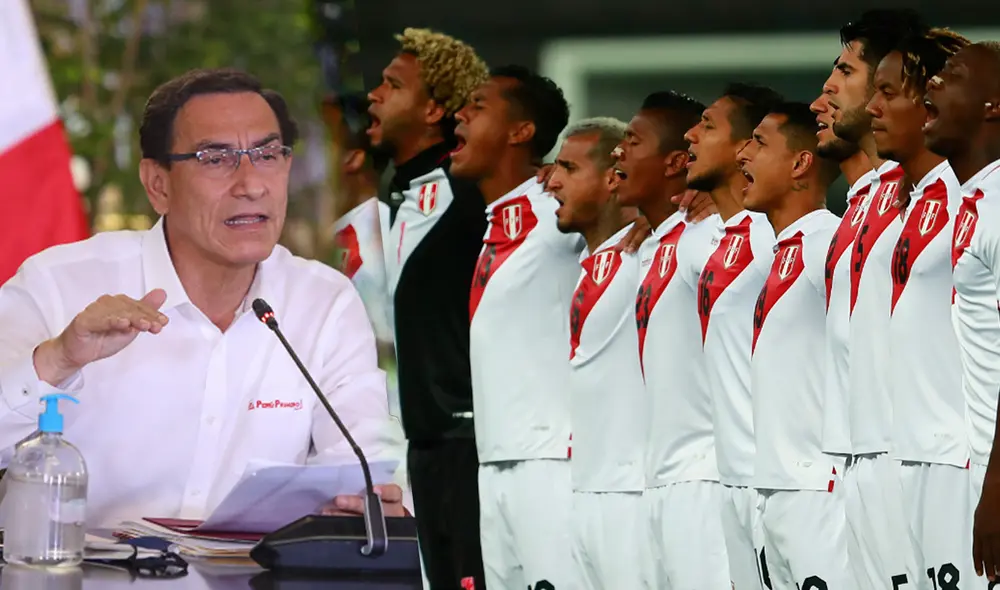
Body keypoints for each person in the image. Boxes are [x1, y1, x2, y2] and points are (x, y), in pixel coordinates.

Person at [0, 68, 405, 528]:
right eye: (216, 159)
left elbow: (364, 459)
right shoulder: (59, 284)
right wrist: (57, 360)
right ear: (159, 184)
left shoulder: (323, 302)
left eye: (268, 154)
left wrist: (373, 501)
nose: (251, 184)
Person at [366, 28, 490, 589]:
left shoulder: (473, 197)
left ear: (436, 109)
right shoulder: (400, 193)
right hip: (424, 446)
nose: (375, 94)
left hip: (475, 450)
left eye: (393, 85)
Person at [451, 64, 579, 589]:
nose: (460, 114)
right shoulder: (495, 225)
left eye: (478, 106)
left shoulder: (561, 213)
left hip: (554, 462)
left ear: (520, 132)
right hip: (495, 460)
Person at [867, 28, 972, 585]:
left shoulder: (971, 196)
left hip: (959, 457)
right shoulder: (911, 201)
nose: (872, 106)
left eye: (889, 92)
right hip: (906, 455)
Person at [828, 10, 928, 587]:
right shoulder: (865, 197)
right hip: (856, 451)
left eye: (846, 70)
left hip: (913, 452)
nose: (830, 89)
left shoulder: (928, 187)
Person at [617, 90, 732, 588]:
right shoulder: (656, 241)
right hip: (660, 479)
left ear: (673, 164)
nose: (619, 151)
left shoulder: (707, 236)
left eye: (632, 140)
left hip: (703, 477)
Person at [738, 101, 850, 588]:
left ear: (801, 163)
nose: (744, 154)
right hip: (773, 488)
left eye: (759, 143)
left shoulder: (831, 241)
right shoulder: (783, 249)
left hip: (819, 490)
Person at [684, 81, 783, 590]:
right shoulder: (719, 238)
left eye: (706, 126)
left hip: (777, 483)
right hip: (732, 479)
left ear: (744, 146)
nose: (690, 135)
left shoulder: (772, 240)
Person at [545, 117, 645, 589]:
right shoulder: (590, 265)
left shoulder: (646, 259)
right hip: (584, 490)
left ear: (612, 178)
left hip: (634, 495)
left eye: (568, 167)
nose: (553, 179)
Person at [924, 41, 1000, 581]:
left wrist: (997, 488)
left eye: (951, 75)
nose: (932, 83)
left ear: (992, 105)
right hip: (976, 466)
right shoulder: (973, 199)